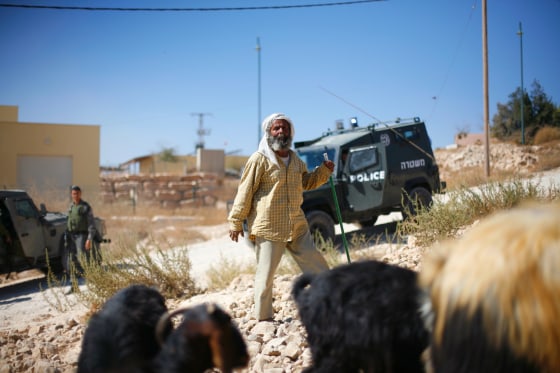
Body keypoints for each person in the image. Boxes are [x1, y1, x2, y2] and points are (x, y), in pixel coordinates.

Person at [228, 113, 335, 321]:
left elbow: (307, 182)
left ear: (290, 132)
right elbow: (245, 191)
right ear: (268, 132)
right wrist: (235, 221)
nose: (281, 132)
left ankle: (333, 305)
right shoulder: (259, 160)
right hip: (270, 227)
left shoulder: (295, 160)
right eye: (276, 128)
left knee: (317, 265)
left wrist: (324, 172)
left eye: (284, 128)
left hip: (297, 224)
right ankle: (263, 319)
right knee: (265, 275)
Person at [64, 185, 97, 275]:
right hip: (71, 235)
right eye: (74, 194)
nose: (75, 195)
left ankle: (89, 274)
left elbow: (91, 224)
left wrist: (89, 239)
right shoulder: (71, 207)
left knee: (82, 256)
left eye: (77, 193)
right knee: (71, 257)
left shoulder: (85, 207)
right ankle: (78, 274)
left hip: (82, 235)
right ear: (71, 194)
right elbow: (69, 221)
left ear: (80, 194)